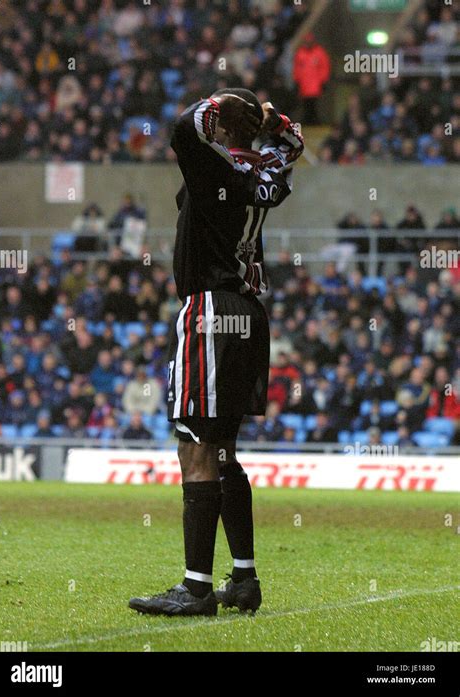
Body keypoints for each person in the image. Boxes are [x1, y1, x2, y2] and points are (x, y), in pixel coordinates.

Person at [129, 88, 304, 617]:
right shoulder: (265, 173)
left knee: (196, 445)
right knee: (224, 446)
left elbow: (186, 124)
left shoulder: (214, 167)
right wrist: (267, 121)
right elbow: (292, 143)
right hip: (249, 312)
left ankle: (196, 587)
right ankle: (244, 580)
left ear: (224, 130)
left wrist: (232, 103)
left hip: (209, 308)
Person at [292, 32, 330, 125]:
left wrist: (323, 81)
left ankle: (313, 121)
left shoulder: (319, 52)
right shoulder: (300, 53)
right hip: (304, 84)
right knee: (306, 104)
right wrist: (297, 81)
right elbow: (297, 68)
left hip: (315, 84)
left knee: (314, 104)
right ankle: (309, 121)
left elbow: (325, 67)